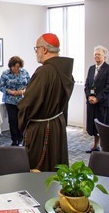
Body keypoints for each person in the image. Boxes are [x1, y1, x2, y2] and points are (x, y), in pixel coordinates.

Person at [18, 33, 74, 172]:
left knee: (38, 168)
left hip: (43, 129)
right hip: (57, 123)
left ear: (44, 49)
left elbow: (30, 102)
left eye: (36, 48)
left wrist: (22, 118)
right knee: (55, 162)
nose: (36, 51)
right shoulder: (65, 70)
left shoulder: (44, 71)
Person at [84, 45, 109, 153]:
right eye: (95, 54)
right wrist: (89, 96)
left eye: (99, 54)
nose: (96, 56)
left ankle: (105, 147)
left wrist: (98, 98)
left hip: (103, 103)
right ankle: (95, 146)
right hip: (92, 103)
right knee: (93, 126)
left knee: (103, 126)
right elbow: (87, 84)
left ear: (105, 56)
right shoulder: (91, 68)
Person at [0, 56, 30, 146]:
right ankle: (14, 140)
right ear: (10, 66)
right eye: (14, 66)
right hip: (10, 101)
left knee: (22, 120)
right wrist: (10, 91)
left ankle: (21, 139)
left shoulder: (25, 72)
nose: (16, 68)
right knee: (13, 120)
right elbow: (0, 86)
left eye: (18, 66)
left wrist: (23, 91)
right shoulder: (5, 73)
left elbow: (30, 84)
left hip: (22, 100)